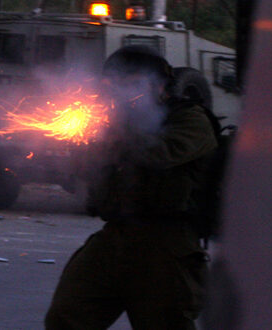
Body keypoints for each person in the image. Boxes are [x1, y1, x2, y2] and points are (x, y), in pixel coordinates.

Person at [45, 45, 218, 329]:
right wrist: (80, 146)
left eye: (131, 84)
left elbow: (158, 154)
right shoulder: (113, 122)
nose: (121, 93)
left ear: (160, 86)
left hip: (165, 243)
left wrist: (113, 134)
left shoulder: (190, 120)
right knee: (67, 318)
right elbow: (89, 172)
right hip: (115, 236)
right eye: (114, 84)